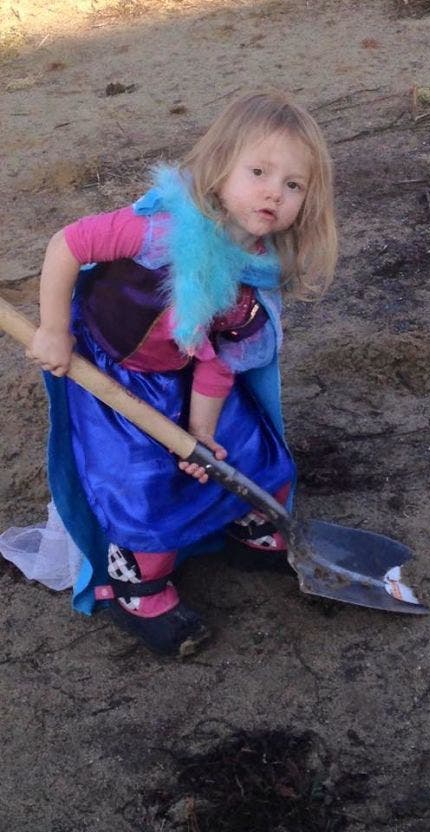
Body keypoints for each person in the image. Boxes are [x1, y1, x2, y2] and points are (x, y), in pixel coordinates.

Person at [24, 89, 338, 656]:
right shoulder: (162, 231)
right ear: (219, 169)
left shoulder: (256, 268)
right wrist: (52, 330)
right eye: (259, 172)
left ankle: (248, 526)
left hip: (185, 370)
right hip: (112, 371)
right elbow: (68, 243)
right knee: (142, 482)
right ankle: (136, 587)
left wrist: (200, 436)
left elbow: (218, 363)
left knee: (247, 451)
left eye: (294, 185)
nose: (275, 191)